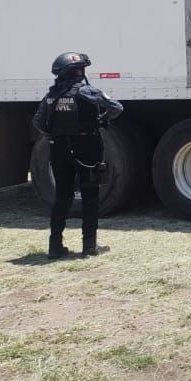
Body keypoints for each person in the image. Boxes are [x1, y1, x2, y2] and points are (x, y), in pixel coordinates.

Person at [32, 52, 123, 258]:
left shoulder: (51, 96)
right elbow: (117, 107)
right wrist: (100, 120)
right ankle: (89, 246)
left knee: (62, 197)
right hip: (86, 148)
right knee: (90, 196)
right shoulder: (87, 92)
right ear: (78, 72)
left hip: (58, 150)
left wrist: (58, 135)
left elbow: (38, 123)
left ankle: (55, 247)